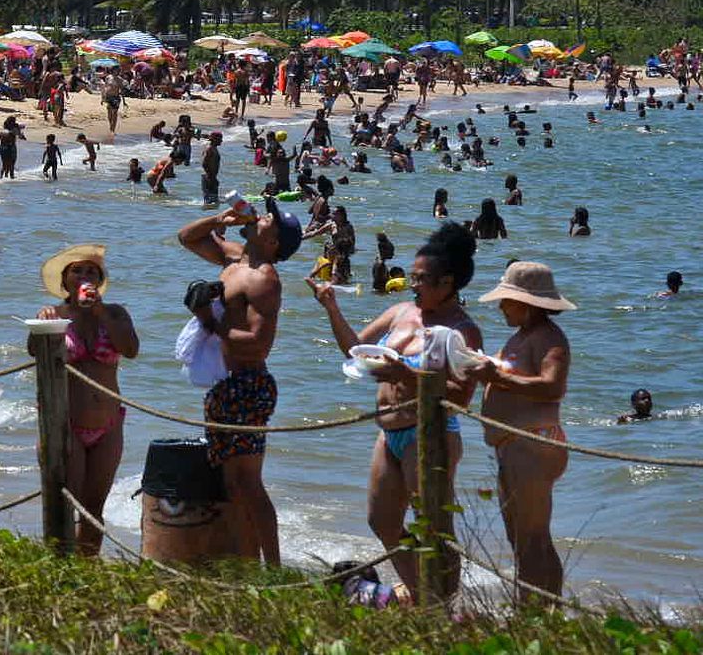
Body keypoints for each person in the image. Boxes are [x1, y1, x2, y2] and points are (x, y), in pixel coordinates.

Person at [311, 223, 482, 599]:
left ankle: (440, 603)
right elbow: (354, 348)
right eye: (413, 277)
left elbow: (461, 397)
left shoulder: (462, 331)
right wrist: (331, 306)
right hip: (388, 431)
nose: (412, 285)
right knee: (383, 521)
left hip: (430, 433)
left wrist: (407, 374)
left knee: (434, 527)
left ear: (447, 283)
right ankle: (425, 594)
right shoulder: (401, 311)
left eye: (421, 279)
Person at [176, 196, 303, 567]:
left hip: (249, 383)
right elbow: (186, 237)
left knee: (248, 483)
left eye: (270, 220)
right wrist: (222, 218)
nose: (263, 216)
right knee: (232, 485)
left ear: (274, 242)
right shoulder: (234, 258)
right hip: (225, 382)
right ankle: (249, 565)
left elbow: (259, 344)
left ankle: (274, 568)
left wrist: (207, 320)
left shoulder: (264, 279)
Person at [471, 261, 575, 600]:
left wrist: (498, 378)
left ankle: (533, 614)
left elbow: (552, 387)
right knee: (522, 537)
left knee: (532, 539)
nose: (500, 306)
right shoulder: (522, 337)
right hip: (513, 445)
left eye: (506, 299)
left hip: (533, 443)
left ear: (527, 302)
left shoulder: (549, 339)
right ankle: (542, 609)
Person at [35, 244, 139, 556]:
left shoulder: (116, 313)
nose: (84, 276)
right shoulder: (54, 315)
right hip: (66, 423)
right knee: (68, 502)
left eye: (91, 271)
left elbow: (131, 350)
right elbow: (33, 351)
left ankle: (88, 570)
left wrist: (101, 313)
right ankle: (61, 567)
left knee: (94, 509)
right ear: (65, 281)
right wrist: (44, 326)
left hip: (108, 425)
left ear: (100, 280)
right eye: (77, 271)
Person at [201, 130, 223, 209]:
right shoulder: (209, 148)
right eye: (220, 139)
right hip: (209, 177)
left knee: (213, 201)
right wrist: (211, 177)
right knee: (210, 202)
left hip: (211, 176)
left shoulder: (213, 148)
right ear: (214, 139)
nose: (221, 141)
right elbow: (204, 163)